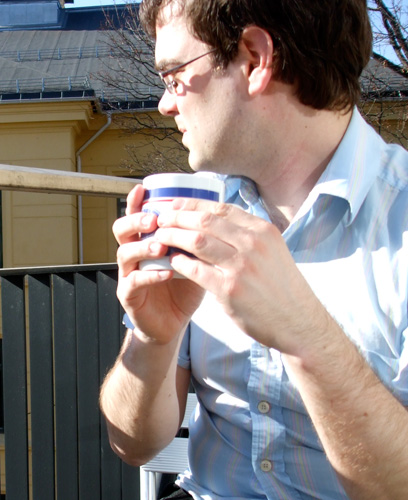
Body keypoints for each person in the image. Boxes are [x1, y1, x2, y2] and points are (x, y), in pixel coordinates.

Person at [99, 0, 408, 499]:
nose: (165, 102)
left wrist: (308, 338)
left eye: (175, 74)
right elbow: (132, 445)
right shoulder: (199, 211)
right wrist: (152, 341)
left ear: (254, 58)